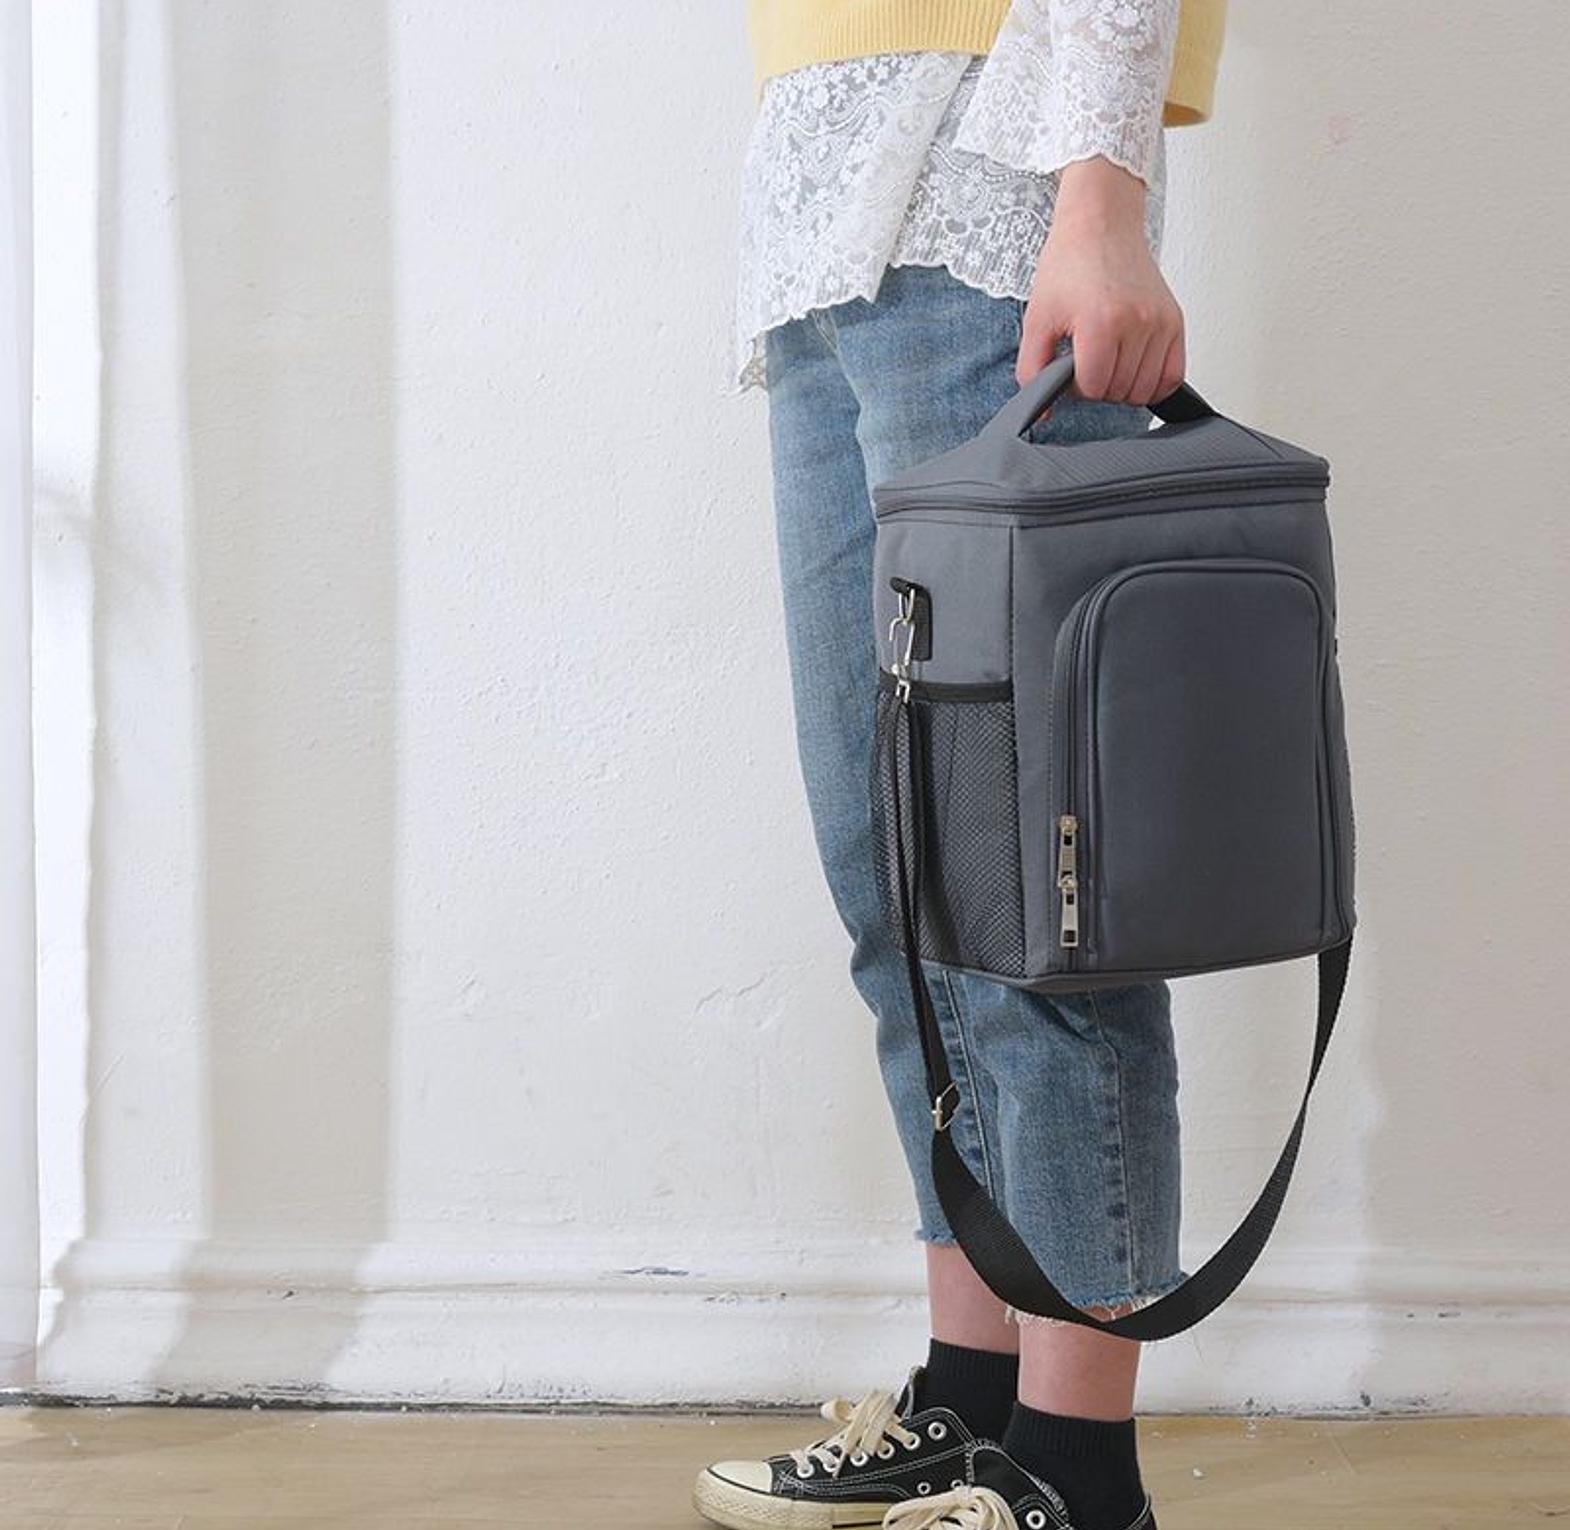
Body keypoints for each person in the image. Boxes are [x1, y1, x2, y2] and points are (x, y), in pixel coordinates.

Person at [695, 4, 1225, 1528]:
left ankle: (1076, 1469)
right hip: (814, 238)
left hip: (992, 208)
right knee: (894, 885)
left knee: (1029, 903)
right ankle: (972, 1398)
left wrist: (1100, 199)